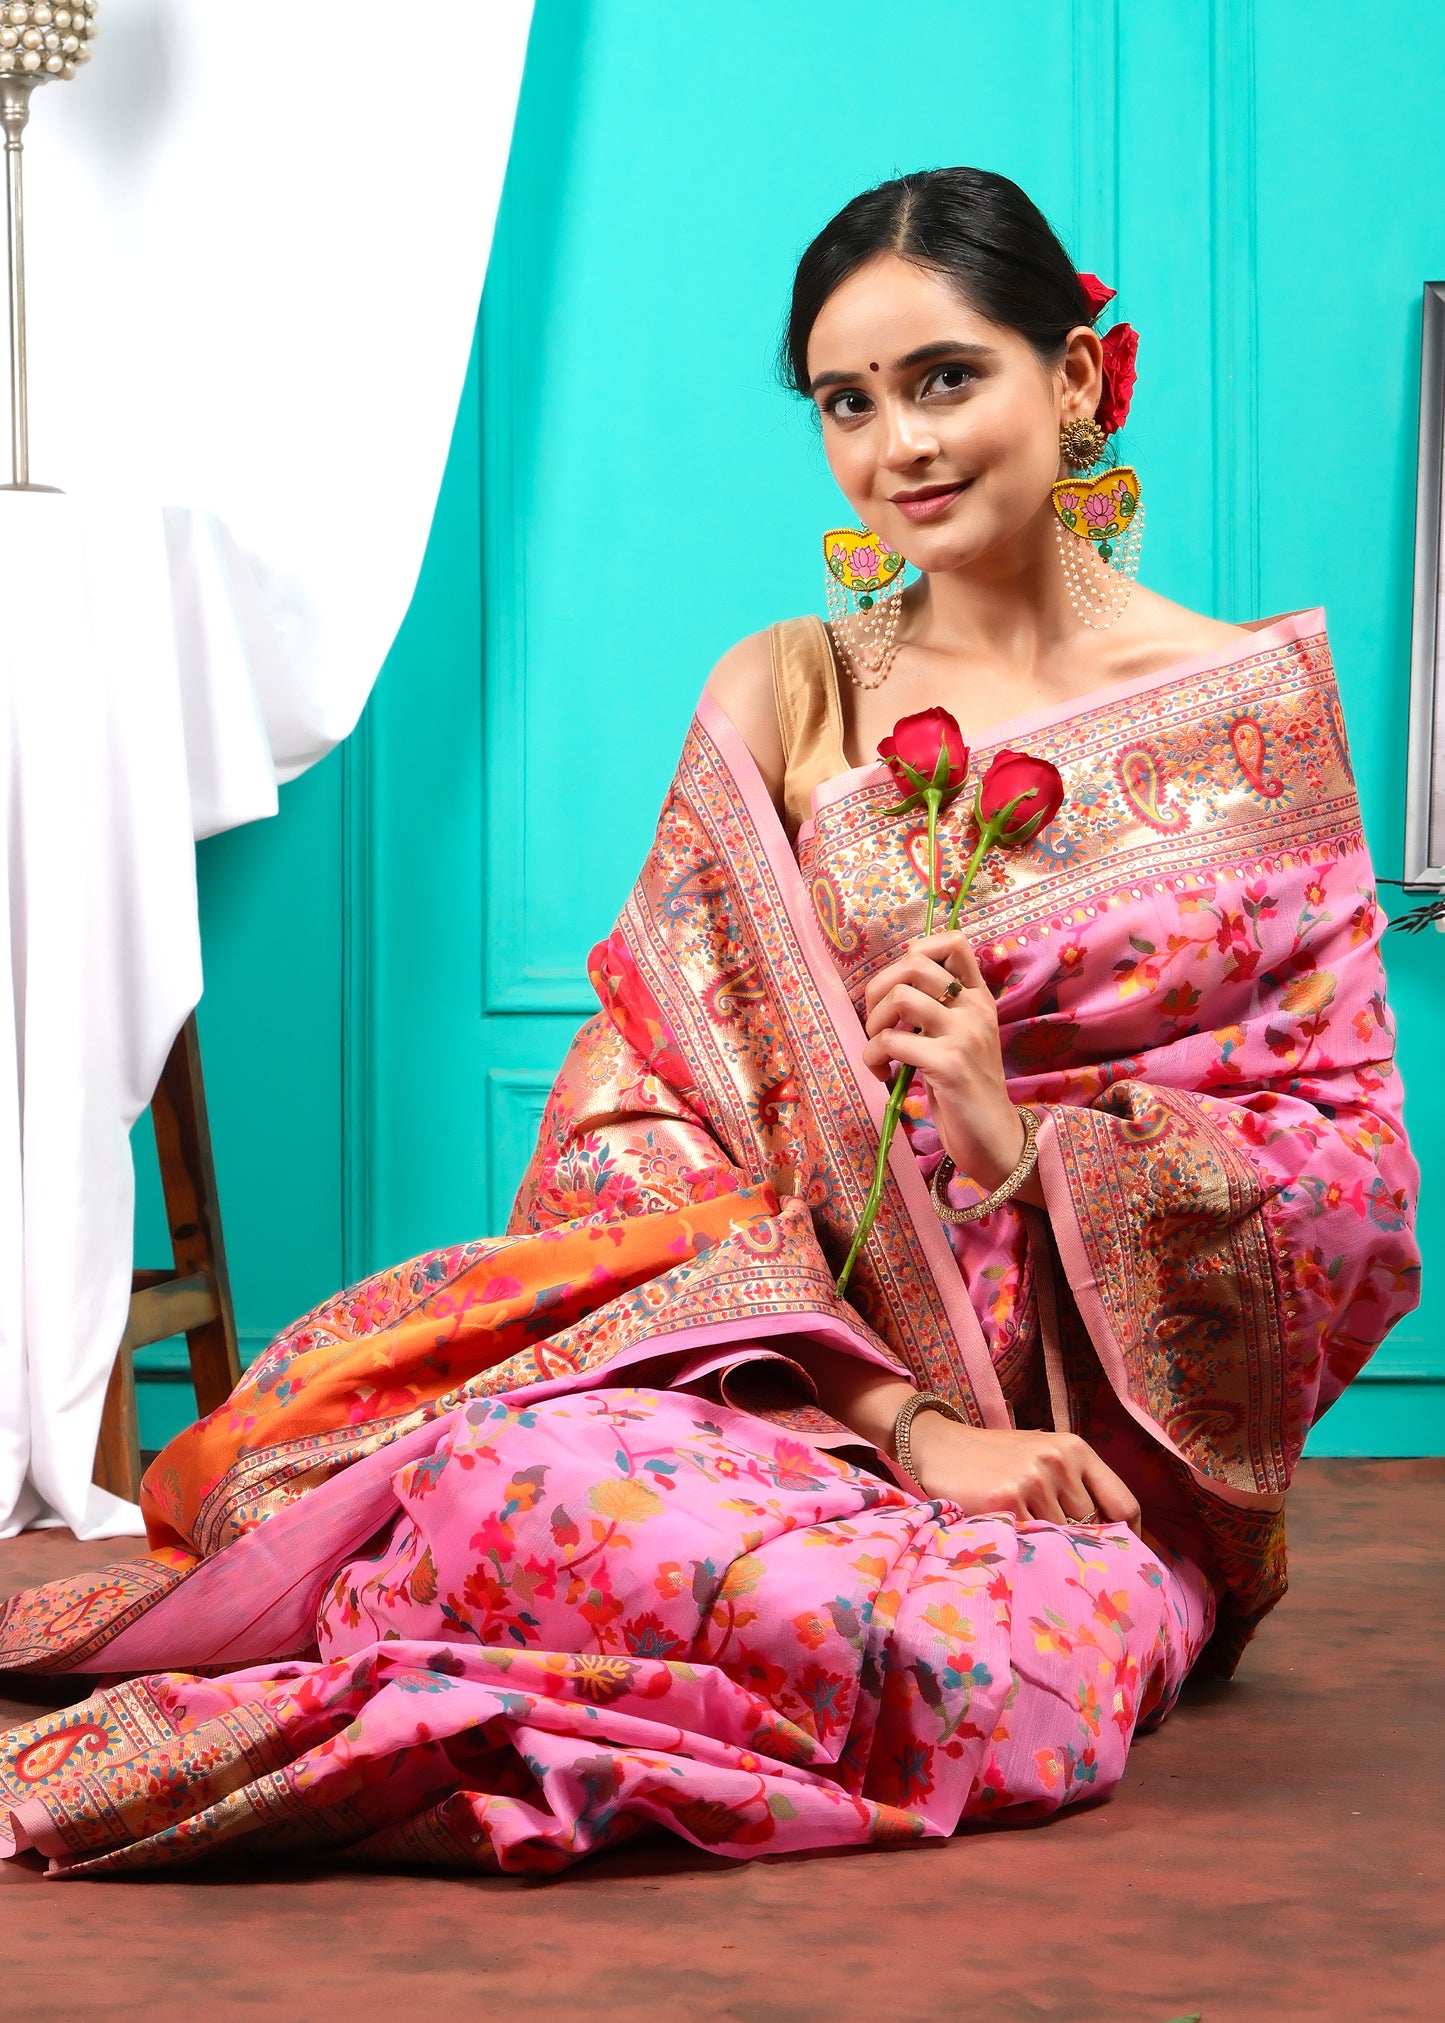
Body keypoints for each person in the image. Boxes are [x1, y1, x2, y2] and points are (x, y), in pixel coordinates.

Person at [0, 169, 1418, 1878]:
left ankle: (523, 1694)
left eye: (946, 377)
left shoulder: (1250, 716)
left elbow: (1345, 1183)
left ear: (1078, 377)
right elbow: (640, 1124)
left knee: (1008, 1676)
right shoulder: (790, 690)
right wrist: (903, 1424)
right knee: (507, 1472)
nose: (899, 443)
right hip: (782, 1402)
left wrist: (1022, 1142)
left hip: (1073, 1467)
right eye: (847, 401)